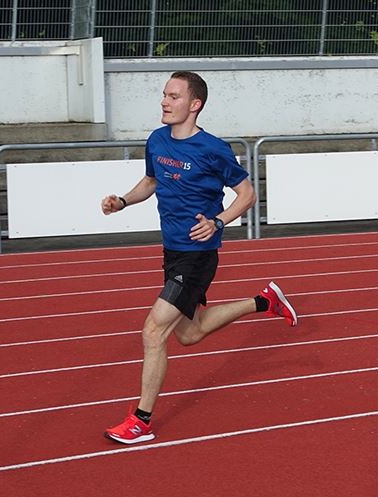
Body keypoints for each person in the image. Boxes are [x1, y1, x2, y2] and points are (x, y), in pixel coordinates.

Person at [100, 71, 297, 445]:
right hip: (172, 251)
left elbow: (247, 194)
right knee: (190, 333)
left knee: (154, 331)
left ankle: (141, 421)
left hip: (198, 255)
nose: (164, 101)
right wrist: (123, 201)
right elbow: (151, 181)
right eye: (164, 95)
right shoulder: (157, 140)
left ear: (195, 105)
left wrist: (218, 223)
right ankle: (264, 301)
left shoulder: (213, 149)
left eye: (173, 96)